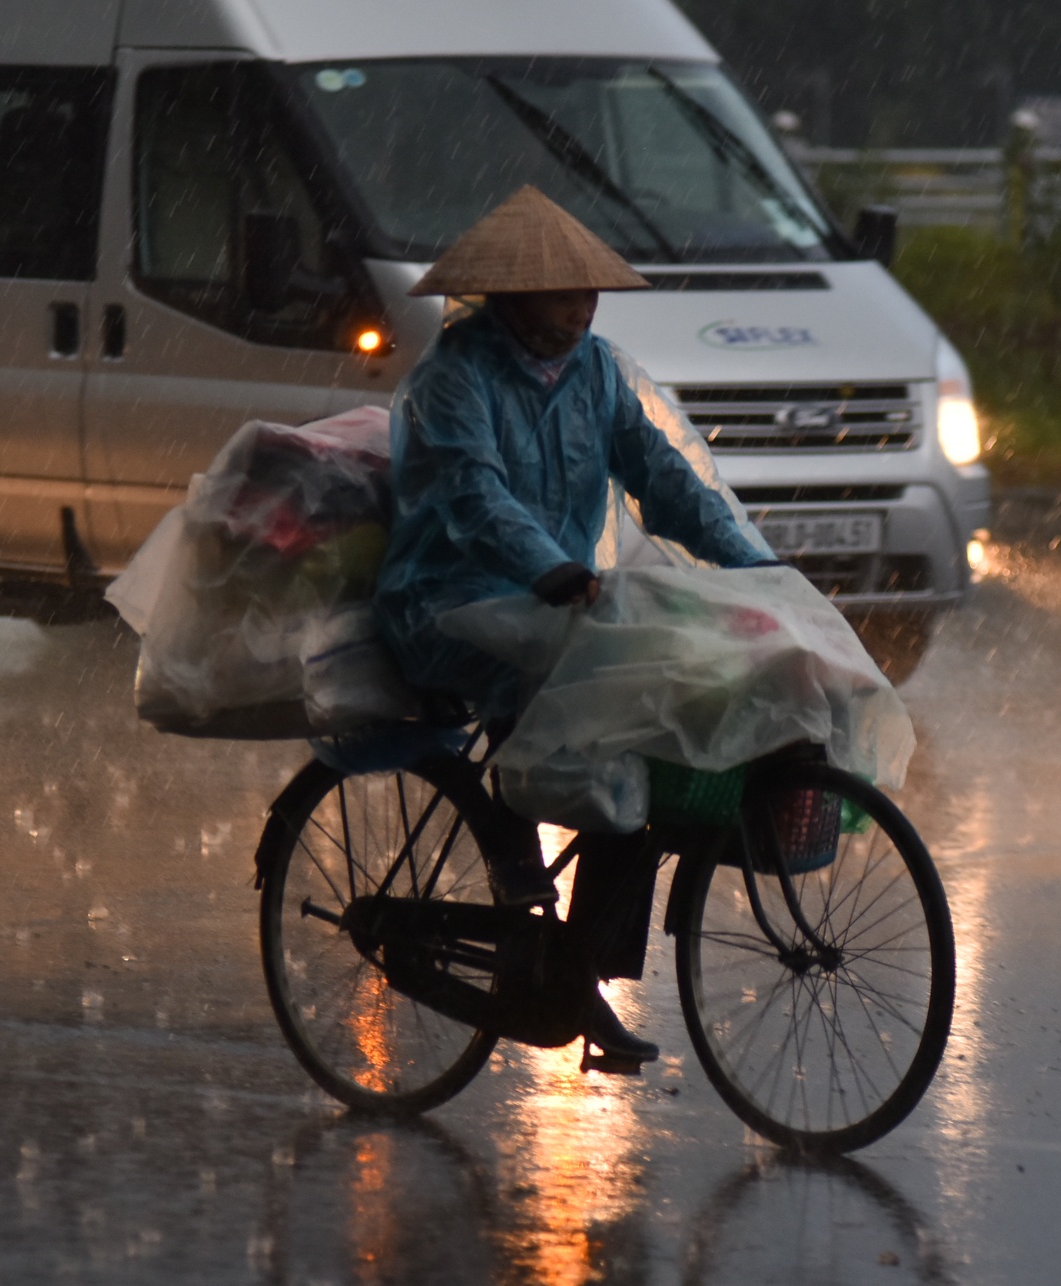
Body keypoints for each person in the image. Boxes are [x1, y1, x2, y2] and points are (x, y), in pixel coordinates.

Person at [372, 186, 773, 1070]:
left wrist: (754, 565)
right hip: (447, 602)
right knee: (591, 718)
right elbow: (474, 494)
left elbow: (663, 478)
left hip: (555, 600)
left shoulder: (594, 373)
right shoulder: (453, 378)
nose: (583, 307)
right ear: (513, 297)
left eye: (589, 291)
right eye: (563, 292)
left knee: (641, 743)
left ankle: (575, 970)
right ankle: (528, 911)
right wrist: (549, 568)